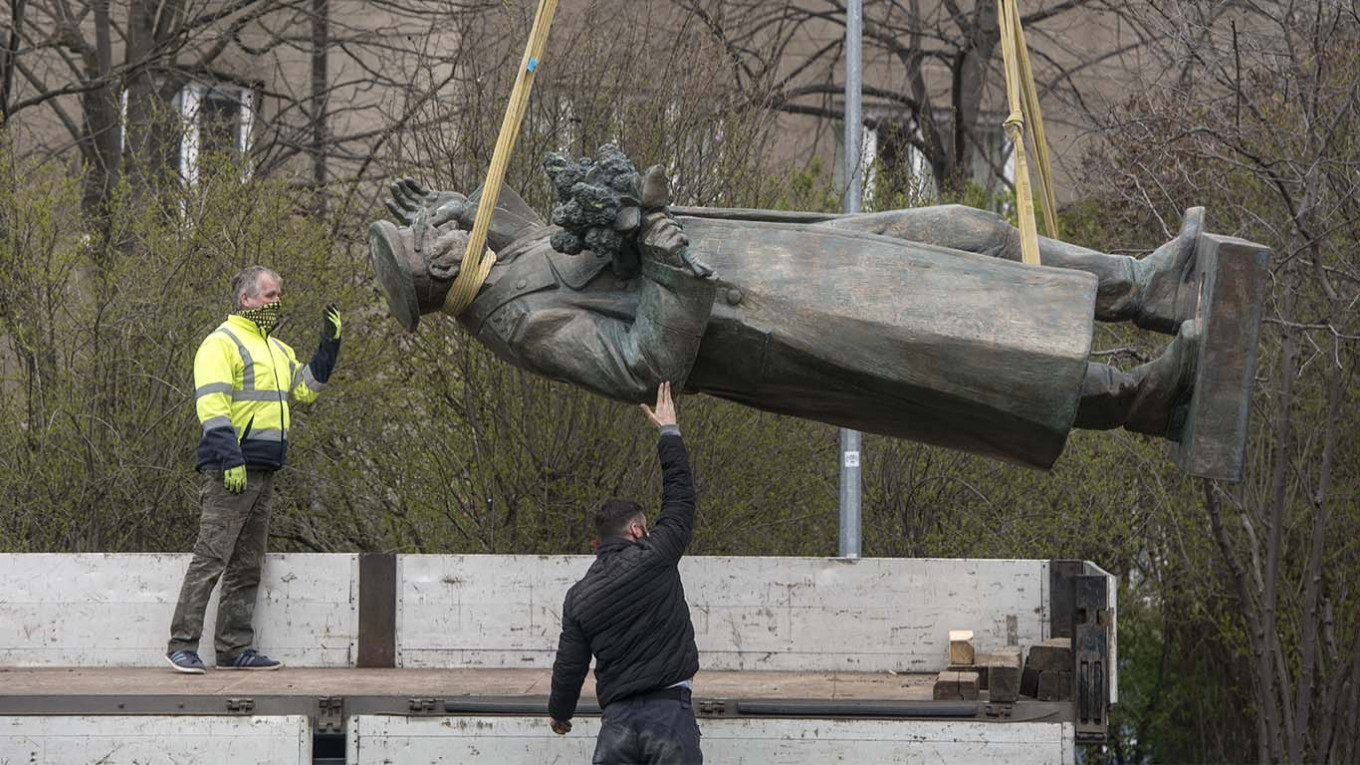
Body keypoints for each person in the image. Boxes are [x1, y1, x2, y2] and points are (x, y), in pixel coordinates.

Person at [369, 161, 1207, 471]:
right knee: (967, 358)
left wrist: (464, 197)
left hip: (778, 257)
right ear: (441, 276)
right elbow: (643, 365)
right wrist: (658, 252)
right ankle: (1139, 399)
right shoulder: (516, 322)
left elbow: (523, 217)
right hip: (770, 325)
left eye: (434, 224)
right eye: (427, 239)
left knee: (966, 232)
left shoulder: (501, 257)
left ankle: (1143, 286)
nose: (438, 229)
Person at [165, 266, 342, 673]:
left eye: (278, 295)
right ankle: (181, 644)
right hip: (230, 467)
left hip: (263, 470)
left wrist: (328, 345)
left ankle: (233, 648)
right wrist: (230, 458)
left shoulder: (278, 350)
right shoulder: (220, 343)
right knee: (211, 559)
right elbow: (212, 405)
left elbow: (306, 390)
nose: (276, 301)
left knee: (247, 565)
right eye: (269, 295)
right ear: (246, 299)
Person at [548, 382, 703, 765]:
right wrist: (668, 433)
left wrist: (560, 712)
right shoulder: (656, 555)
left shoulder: (580, 596)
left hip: (616, 725)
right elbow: (680, 497)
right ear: (636, 529)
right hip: (668, 716)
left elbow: (570, 663)